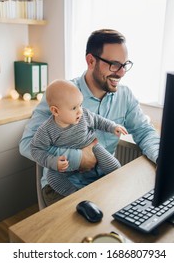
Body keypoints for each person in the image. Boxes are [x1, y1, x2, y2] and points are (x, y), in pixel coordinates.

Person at [20, 29, 161, 206]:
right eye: (114, 64)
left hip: (104, 182)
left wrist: (160, 157)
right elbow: (27, 144)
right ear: (91, 61)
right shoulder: (61, 95)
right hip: (64, 185)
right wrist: (78, 158)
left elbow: (144, 131)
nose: (121, 73)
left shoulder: (125, 96)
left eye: (125, 65)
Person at [30, 79, 128, 197]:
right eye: (74, 108)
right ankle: (74, 194)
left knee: (114, 165)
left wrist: (113, 127)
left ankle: (118, 182)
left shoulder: (84, 116)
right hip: (68, 163)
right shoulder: (46, 130)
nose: (80, 111)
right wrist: (53, 162)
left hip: (92, 149)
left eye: (80, 105)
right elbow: (35, 149)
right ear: (56, 111)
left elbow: (98, 121)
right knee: (52, 176)